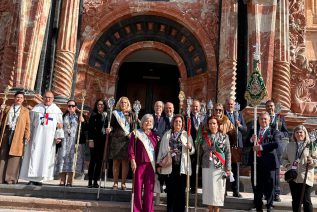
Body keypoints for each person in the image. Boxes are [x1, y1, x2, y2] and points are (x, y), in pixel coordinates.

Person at [20, 91, 64, 185]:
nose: (47, 99)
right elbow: (30, 123)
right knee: (34, 155)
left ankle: (41, 179)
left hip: (49, 139)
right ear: (43, 98)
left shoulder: (57, 111)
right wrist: (28, 134)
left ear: (53, 99)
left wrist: (58, 136)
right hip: (36, 137)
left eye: (50, 98)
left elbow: (60, 125)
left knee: (45, 156)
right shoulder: (36, 108)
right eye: (46, 97)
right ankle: (32, 178)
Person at [157, 114, 195, 212]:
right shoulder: (167, 134)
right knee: (171, 193)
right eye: (176, 121)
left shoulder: (187, 135)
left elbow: (192, 151)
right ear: (173, 123)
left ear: (182, 124)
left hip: (182, 168)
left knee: (181, 194)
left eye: (180, 122)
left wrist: (190, 147)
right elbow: (161, 150)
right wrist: (158, 164)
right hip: (170, 167)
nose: (178, 123)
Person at [246, 112, 281, 212]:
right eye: (261, 119)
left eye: (265, 119)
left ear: (269, 121)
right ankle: (258, 206)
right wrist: (251, 140)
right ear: (258, 120)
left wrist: (261, 147)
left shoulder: (274, 132)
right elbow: (246, 144)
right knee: (256, 185)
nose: (263, 121)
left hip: (269, 164)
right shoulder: (254, 131)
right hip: (256, 164)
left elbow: (276, 144)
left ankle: (269, 206)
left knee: (269, 186)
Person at [197, 116, 231, 212]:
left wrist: (228, 168)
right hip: (207, 167)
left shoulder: (224, 136)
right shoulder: (204, 136)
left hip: (219, 167)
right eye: (210, 123)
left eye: (214, 123)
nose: (212, 125)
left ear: (218, 124)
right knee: (209, 192)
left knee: (218, 192)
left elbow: (228, 153)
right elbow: (200, 149)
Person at [282, 125, 317, 212]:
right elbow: (283, 158)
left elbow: (316, 159)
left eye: (301, 132)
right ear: (294, 134)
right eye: (296, 132)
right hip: (293, 176)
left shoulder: (310, 145)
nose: (299, 134)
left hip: (305, 176)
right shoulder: (289, 145)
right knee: (296, 201)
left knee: (306, 200)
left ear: (305, 134)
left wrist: (312, 161)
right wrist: (287, 165)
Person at [129, 114, 159, 212]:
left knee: (149, 189)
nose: (148, 123)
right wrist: (132, 160)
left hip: (151, 165)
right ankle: (137, 209)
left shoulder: (155, 136)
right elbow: (131, 148)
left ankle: (148, 209)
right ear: (142, 123)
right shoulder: (136, 133)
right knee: (137, 188)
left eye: (150, 121)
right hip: (139, 164)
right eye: (146, 120)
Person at [0, 91, 30, 184]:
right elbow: (1, 120)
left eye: (21, 98)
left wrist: (27, 135)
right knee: (3, 154)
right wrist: (1, 110)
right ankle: (0, 177)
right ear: (14, 98)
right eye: (17, 97)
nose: (19, 99)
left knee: (14, 156)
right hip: (7, 132)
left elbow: (27, 124)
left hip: (18, 134)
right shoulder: (8, 108)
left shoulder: (25, 111)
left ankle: (10, 178)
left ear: (23, 100)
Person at [107, 96, 134, 190]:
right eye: (122, 102)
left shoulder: (131, 115)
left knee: (125, 163)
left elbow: (134, 128)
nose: (123, 104)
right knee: (116, 163)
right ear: (119, 103)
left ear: (128, 104)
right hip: (116, 139)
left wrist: (132, 133)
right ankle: (115, 183)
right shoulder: (115, 114)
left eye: (125, 102)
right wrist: (110, 129)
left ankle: (123, 183)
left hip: (127, 140)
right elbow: (112, 126)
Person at [55, 100, 85, 187]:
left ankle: (70, 181)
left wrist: (83, 122)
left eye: (72, 106)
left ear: (76, 107)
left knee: (73, 160)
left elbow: (85, 129)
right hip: (65, 141)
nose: (71, 108)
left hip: (74, 141)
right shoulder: (64, 116)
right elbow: (59, 127)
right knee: (63, 159)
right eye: (69, 106)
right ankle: (62, 180)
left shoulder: (79, 116)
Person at [265, 100, 289, 202]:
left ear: (274, 107)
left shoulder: (280, 118)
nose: (270, 108)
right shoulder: (264, 117)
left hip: (277, 149)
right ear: (266, 108)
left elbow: (286, 133)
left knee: (276, 172)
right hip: (265, 148)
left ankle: (276, 193)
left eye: (271, 106)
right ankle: (266, 193)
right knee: (265, 172)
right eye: (268, 106)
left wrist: (280, 135)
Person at [224, 98, 247, 197]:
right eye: (228, 104)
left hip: (236, 146)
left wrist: (240, 125)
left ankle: (235, 191)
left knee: (235, 169)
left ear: (234, 105)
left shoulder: (239, 114)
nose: (230, 106)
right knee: (224, 169)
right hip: (225, 145)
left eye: (231, 104)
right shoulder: (223, 115)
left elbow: (245, 130)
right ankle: (223, 190)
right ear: (226, 105)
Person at [186, 99, 205, 194]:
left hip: (202, 145)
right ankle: (191, 186)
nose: (195, 108)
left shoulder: (203, 117)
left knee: (200, 166)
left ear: (200, 107)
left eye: (197, 106)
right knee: (192, 166)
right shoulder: (187, 117)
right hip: (191, 144)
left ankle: (198, 186)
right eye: (193, 106)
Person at [87, 99, 107, 188]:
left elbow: (107, 127)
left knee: (99, 162)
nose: (100, 106)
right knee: (93, 161)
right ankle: (90, 181)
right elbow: (90, 129)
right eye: (98, 104)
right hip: (94, 141)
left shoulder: (106, 116)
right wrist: (90, 140)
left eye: (102, 105)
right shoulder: (94, 115)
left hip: (103, 141)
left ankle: (96, 181)